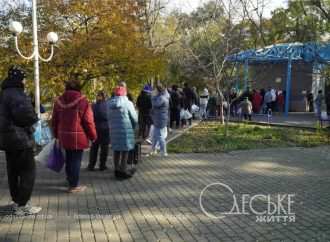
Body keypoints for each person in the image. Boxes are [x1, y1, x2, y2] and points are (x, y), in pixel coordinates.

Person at [0, 66, 41, 216]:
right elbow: (24, 115)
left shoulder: (4, 93)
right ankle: (23, 205)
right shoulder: (17, 94)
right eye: (24, 77)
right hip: (20, 139)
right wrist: (35, 118)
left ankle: (17, 200)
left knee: (13, 171)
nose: (25, 80)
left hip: (7, 139)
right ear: (19, 78)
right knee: (28, 171)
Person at [52, 79, 97, 193]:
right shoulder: (83, 101)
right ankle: (73, 185)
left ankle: (70, 179)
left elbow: (55, 120)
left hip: (63, 135)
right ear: (78, 88)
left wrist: (56, 134)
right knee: (75, 160)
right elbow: (88, 121)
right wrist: (93, 136)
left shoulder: (59, 101)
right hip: (78, 136)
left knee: (68, 158)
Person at [108, 84, 138, 179]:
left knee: (116, 150)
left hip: (113, 130)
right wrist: (132, 126)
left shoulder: (109, 103)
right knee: (125, 150)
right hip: (125, 130)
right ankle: (123, 170)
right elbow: (134, 118)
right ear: (124, 93)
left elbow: (108, 117)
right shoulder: (128, 103)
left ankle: (116, 170)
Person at [87, 91, 110, 171]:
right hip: (105, 129)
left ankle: (91, 165)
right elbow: (108, 117)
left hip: (95, 128)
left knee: (94, 148)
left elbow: (90, 117)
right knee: (104, 148)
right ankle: (102, 165)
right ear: (105, 97)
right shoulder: (107, 105)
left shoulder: (93, 106)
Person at [151, 84, 170, 156]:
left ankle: (164, 151)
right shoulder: (161, 97)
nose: (153, 91)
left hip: (160, 119)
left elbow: (155, 104)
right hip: (159, 118)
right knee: (155, 135)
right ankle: (153, 150)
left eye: (155, 90)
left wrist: (152, 97)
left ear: (158, 91)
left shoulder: (162, 98)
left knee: (160, 136)